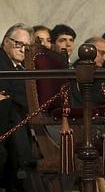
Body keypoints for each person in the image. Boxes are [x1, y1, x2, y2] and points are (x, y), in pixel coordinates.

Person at [0, 23, 38, 191]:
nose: (23, 49)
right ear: (5, 42)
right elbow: (10, 90)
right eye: (18, 44)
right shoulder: (1, 59)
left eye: (27, 46)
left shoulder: (22, 67)